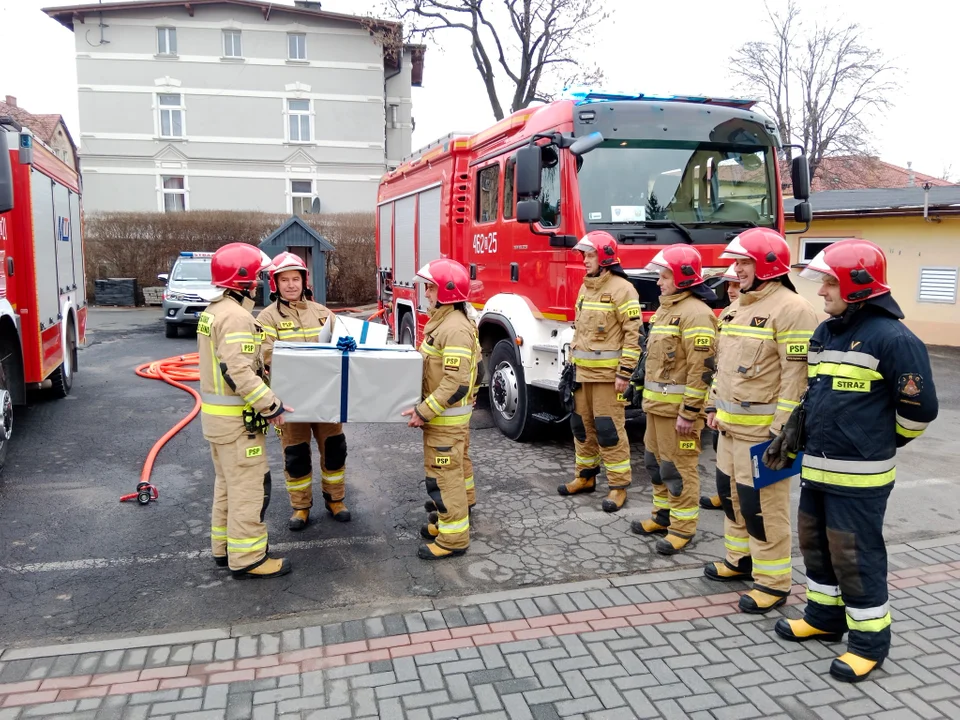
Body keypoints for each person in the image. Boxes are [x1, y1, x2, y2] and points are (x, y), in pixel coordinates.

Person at [768, 239, 938, 682]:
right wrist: (795, 429)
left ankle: (868, 645)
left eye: (829, 282)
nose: (821, 291)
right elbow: (816, 394)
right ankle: (824, 619)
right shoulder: (826, 332)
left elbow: (920, 412)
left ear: (857, 285)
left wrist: (877, 441)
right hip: (816, 469)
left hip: (859, 478)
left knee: (855, 558)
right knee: (817, 548)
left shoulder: (895, 339)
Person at [702, 227, 818, 613]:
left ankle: (773, 583)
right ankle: (740, 561)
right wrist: (712, 406)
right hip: (730, 429)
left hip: (764, 435)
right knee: (734, 498)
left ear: (767, 264)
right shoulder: (736, 308)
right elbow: (720, 367)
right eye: (736, 263)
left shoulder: (793, 309)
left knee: (763, 507)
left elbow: (796, 377)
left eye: (743, 262)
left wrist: (782, 433)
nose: (736, 270)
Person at [198, 242, 292, 579]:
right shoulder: (237, 317)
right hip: (238, 426)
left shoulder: (214, 311)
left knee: (227, 485)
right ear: (244, 280)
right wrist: (271, 405)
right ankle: (249, 558)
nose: (260, 283)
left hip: (218, 422)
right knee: (250, 489)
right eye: (257, 277)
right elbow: (237, 371)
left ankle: (224, 549)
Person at [630, 245, 717, 554]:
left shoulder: (697, 314)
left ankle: (682, 528)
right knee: (655, 464)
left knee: (678, 469)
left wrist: (690, 411)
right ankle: (662, 516)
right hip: (656, 408)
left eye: (664, 275)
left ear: (681, 278)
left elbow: (701, 369)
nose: (658, 282)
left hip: (678, 413)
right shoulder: (667, 309)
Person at [257, 252, 351, 531]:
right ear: (275, 284)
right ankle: (300, 507)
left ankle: (336, 500)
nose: (290, 285)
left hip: (326, 397)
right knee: (296, 456)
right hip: (291, 401)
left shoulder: (323, 313)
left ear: (303, 281)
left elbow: (344, 342)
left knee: (334, 450)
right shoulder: (266, 318)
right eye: (284, 280)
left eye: (295, 279)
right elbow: (267, 354)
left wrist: (347, 344)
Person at [558, 231, 643, 513]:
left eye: (590, 255)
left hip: (609, 379)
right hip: (581, 376)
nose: (584, 260)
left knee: (609, 431)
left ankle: (618, 487)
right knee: (581, 428)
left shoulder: (623, 289)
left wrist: (625, 373)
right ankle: (585, 477)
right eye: (583, 255)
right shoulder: (585, 288)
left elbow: (634, 336)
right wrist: (570, 368)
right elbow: (580, 333)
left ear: (605, 257)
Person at [401, 258, 480, 560]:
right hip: (443, 419)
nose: (427, 294)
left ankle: (453, 539)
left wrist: (424, 411)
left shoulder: (454, 328)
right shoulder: (446, 322)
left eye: (431, 288)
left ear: (446, 292)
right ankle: (447, 523)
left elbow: (455, 382)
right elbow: (477, 369)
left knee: (445, 478)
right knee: (446, 474)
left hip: (444, 420)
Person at [701, 263, 741, 511]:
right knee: (721, 448)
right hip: (722, 394)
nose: (732, 290)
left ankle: (735, 497)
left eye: (737, 284)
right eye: (730, 285)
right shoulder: (727, 312)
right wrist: (711, 404)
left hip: (747, 402)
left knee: (742, 458)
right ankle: (724, 493)